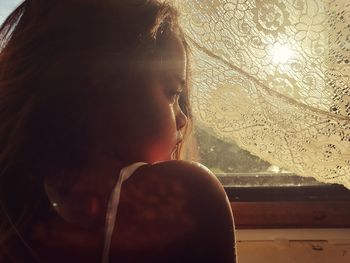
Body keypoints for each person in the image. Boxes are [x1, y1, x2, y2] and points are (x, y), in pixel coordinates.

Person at [0, 0, 236, 262]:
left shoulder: (16, 208)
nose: (182, 118)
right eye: (172, 93)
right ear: (104, 84)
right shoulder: (190, 196)